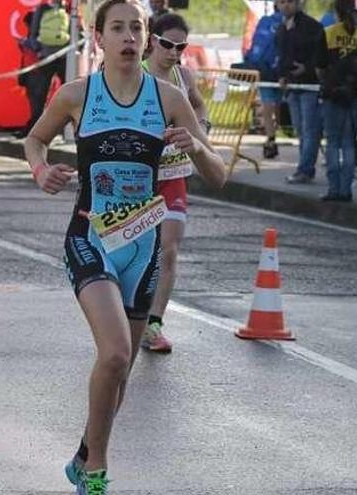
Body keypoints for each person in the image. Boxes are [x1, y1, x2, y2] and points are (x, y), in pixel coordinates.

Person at [23, 0, 226, 491]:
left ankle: (83, 454)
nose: (129, 37)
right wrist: (40, 169)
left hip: (144, 246)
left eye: (137, 28)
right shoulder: (77, 94)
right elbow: (35, 140)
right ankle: (96, 472)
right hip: (90, 237)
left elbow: (218, 174)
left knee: (120, 378)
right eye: (118, 28)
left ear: (149, 37)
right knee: (113, 354)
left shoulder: (168, 98)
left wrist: (194, 144)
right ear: (99, 38)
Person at [140, 12, 209, 353]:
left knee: (167, 251)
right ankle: (128, 316)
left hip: (175, 176)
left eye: (180, 46)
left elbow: (199, 106)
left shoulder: (183, 76)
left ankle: (154, 324)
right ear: (151, 40)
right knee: (137, 252)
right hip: (137, 180)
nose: (174, 52)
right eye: (167, 44)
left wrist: (200, 130)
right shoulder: (134, 76)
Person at [319, 0, 357, 201]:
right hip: (356, 94)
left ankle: (334, 188)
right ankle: (346, 189)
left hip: (333, 94)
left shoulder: (329, 33)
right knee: (349, 142)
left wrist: (327, 83)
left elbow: (320, 64)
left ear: (336, 11)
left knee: (333, 141)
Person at [277, 0, 327, 185]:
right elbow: (281, 55)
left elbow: (320, 55)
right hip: (292, 86)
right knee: (300, 129)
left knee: (310, 130)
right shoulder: (282, 27)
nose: (285, 6)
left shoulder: (312, 26)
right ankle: (304, 167)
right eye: (282, 2)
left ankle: (305, 169)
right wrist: (282, 75)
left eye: (289, 2)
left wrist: (306, 68)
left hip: (309, 85)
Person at [16, 0, 72, 138]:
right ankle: (69, 131)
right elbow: (78, 32)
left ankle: (34, 132)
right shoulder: (69, 8)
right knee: (71, 94)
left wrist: (37, 49)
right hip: (65, 56)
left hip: (45, 56)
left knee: (39, 96)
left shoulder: (41, 9)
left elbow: (33, 35)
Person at [244, 4, 284, 159]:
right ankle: (277, 130)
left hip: (263, 69)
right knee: (279, 104)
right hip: (282, 71)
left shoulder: (265, 21)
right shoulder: (289, 21)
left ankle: (271, 138)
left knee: (268, 104)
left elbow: (256, 45)